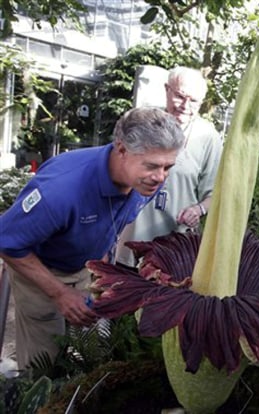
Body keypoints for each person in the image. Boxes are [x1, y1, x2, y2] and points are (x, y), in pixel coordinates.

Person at [0, 106, 185, 369]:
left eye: (168, 166)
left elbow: (111, 222)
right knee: (44, 363)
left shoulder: (147, 181)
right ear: (121, 150)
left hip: (84, 268)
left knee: (89, 354)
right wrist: (60, 293)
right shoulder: (60, 189)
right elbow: (6, 242)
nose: (160, 177)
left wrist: (102, 271)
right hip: (41, 271)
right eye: (152, 166)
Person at [115, 66, 223, 268]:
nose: (185, 105)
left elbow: (214, 194)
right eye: (180, 96)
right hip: (131, 240)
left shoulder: (208, 137)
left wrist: (198, 209)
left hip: (175, 249)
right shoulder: (143, 122)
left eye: (194, 101)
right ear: (167, 89)